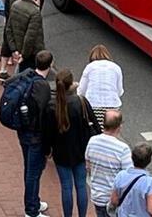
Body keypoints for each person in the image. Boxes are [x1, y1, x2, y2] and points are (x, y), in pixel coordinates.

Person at [45, 68, 97, 217]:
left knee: (66, 187)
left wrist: (47, 150)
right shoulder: (80, 102)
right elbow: (92, 123)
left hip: (61, 153)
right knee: (81, 186)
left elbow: (48, 132)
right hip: (80, 151)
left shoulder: (52, 106)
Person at [9, 49, 54, 217]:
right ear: (50, 65)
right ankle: (31, 211)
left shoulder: (26, 77)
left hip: (23, 131)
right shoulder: (42, 86)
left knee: (29, 168)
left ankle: (34, 201)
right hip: (35, 135)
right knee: (33, 172)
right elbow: (45, 115)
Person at [86, 110, 133, 217]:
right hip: (114, 199)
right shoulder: (123, 149)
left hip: (97, 196)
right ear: (119, 126)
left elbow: (88, 166)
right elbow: (128, 176)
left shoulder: (92, 141)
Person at [6, 0, 47, 73]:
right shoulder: (35, 12)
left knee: (20, 73)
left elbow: (8, 29)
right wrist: (24, 56)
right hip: (32, 54)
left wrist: (14, 50)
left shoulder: (15, 5)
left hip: (19, 50)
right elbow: (30, 38)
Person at [77, 44, 123, 128]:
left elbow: (81, 91)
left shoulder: (89, 67)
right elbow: (119, 91)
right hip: (112, 105)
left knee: (95, 129)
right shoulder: (116, 67)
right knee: (111, 130)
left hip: (93, 105)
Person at [110, 143, 152, 217]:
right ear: (149, 160)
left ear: (132, 157)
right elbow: (151, 209)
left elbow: (114, 200)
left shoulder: (121, 175)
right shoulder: (150, 182)